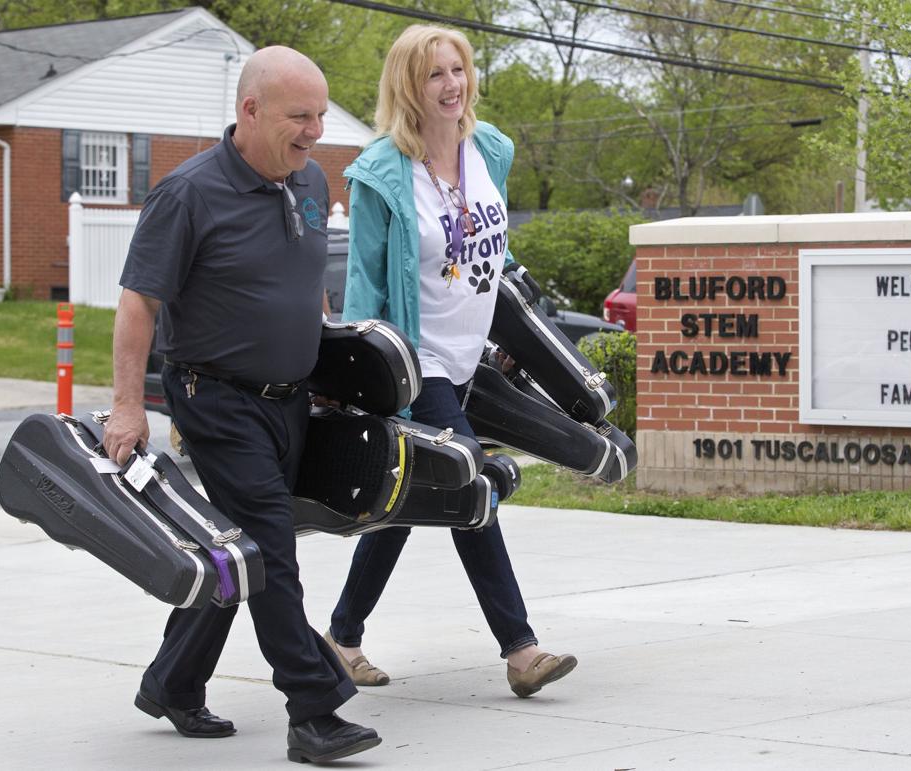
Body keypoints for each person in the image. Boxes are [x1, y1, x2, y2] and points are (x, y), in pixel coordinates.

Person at [102, 46, 381, 763]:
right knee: (272, 552)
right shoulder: (188, 193)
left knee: (241, 553)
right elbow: (138, 302)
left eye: (321, 115)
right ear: (249, 111)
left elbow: (305, 277)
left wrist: (325, 363)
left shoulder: (311, 180)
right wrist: (128, 407)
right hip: (216, 400)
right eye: (300, 116)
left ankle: (172, 680)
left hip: (291, 402)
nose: (316, 130)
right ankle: (314, 711)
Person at [325, 24, 577, 699]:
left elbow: (492, 251)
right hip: (420, 362)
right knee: (467, 482)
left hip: (472, 361)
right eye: (435, 74)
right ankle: (521, 649)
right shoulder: (382, 174)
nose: (452, 85)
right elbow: (364, 290)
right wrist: (365, 383)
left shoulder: (488, 150)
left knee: (416, 500)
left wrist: (516, 330)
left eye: (458, 69)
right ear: (410, 85)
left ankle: (341, 637)